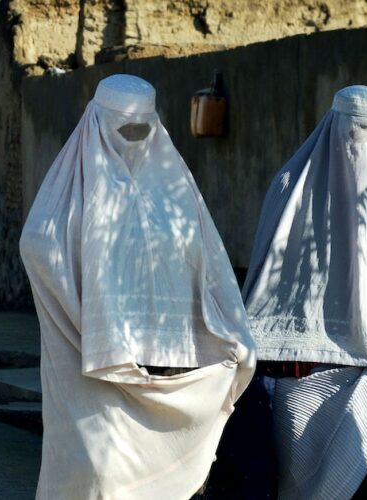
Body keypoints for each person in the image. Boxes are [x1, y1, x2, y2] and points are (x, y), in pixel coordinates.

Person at [19, 74, 255, 499]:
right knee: (100, 476)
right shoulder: (70, 191)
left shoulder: (175, 191)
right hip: (92, 368)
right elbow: (37, 244)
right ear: (96, 122)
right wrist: (90, 322)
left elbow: (211, 265)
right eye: (122, 129)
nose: (132, 140)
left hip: (173, 369)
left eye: (142, 129)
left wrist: (231, 336)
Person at [213, 86, 367, 500]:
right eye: (354, 129)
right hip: (297, 379)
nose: (360, 142)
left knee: (361, 484)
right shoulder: (291, 185)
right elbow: (267, 276)